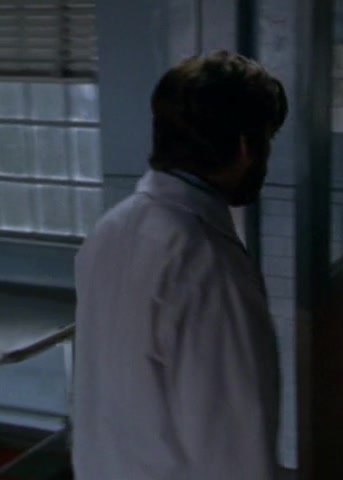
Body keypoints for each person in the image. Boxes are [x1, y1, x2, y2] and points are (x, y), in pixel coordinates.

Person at [72, 51, 288, 479]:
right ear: (245, 147)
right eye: (267, 140)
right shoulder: (207, 262)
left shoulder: (110, 229)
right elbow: (236, 446)